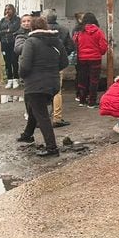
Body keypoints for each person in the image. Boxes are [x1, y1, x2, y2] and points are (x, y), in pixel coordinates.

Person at [17, 16, 68, 157]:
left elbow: (25, 66)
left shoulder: (30, 42)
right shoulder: (56, 41)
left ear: (32, 28)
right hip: (53, 83)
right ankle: (27, 134)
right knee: (34, 108)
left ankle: (52, 148)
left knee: (42, 115)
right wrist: (51, 70)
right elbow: (64, 62)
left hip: (35, 83)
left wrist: (23, 75)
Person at [46, 9, 74, 128]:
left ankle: (43, 118)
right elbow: (71, 46)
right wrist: (63, 55)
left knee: (42, 91)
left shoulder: (41, 30)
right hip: (57, 64)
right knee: (57, 91)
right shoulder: (63, 30)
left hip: (42, 65)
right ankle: (57, 117)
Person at [72, 12, 108, 108]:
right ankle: (92, 102)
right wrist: (100, 53)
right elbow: (103, 46)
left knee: (82, 79)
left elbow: (74, 43)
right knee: (94, 80)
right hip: (95, 59)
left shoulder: (79, 31)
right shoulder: (99, 31)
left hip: (82, 59)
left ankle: (82, 100)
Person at [0, 4, 21, 89]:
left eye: (9, 9)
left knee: (14, 60)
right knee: (7, 62)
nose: (7, 11)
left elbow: (14, 29)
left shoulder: (17, 19)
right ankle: (9, 79)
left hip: (13, 42)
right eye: (6, 9)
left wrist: (8, 28)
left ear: (13, 10)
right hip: (4, 43)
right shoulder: (2, 20)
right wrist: (7, 30)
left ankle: (16, 78)